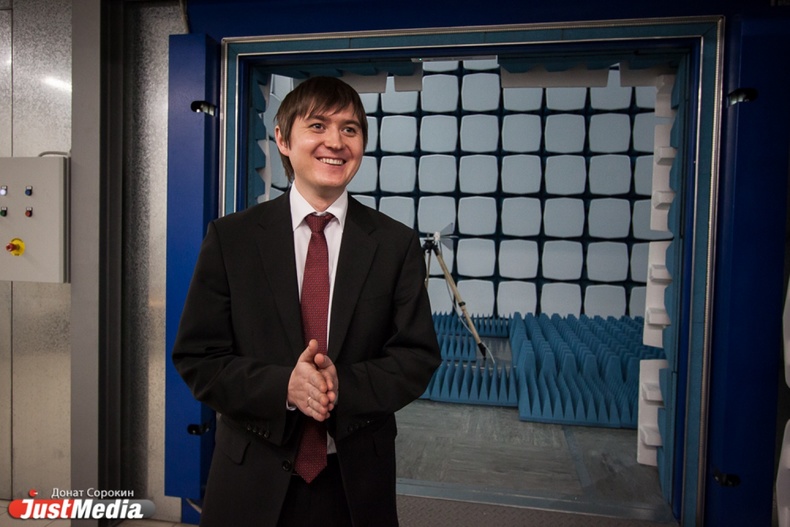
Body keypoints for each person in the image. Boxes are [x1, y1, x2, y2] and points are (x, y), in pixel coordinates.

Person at [172, 76, 442, 527]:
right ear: (282, 139)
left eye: (350, 129)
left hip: (355, 481)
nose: (335, 142)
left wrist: (342, 385)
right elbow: (198, 358)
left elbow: (416, 357)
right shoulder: (232, 240)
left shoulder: (395, 245)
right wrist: (285, 387)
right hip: (250, 479)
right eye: (317, 126)